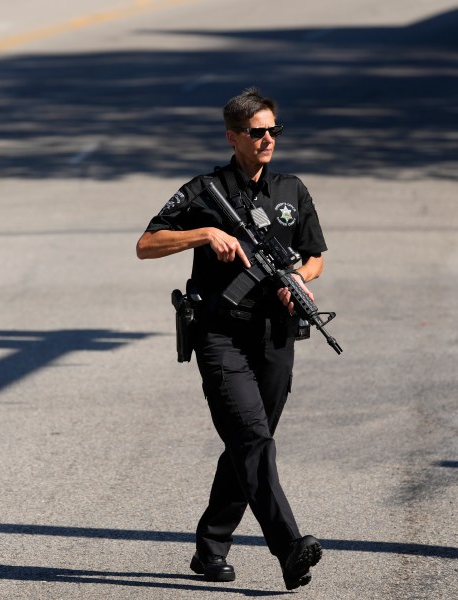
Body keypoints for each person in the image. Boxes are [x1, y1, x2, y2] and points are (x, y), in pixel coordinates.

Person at [136, 88, 327, 590]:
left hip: (275, 336)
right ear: (232, 136)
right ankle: (289, 547)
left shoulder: (292, 190)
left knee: (248, 444)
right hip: (220, 335)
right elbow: (146, 244)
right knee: (252, 439)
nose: (267, 140)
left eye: (273, 131)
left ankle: (211, 545)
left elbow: (315, 256)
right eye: (256, 132)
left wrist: (300, 282)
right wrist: (203, 236)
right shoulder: (205, 190)